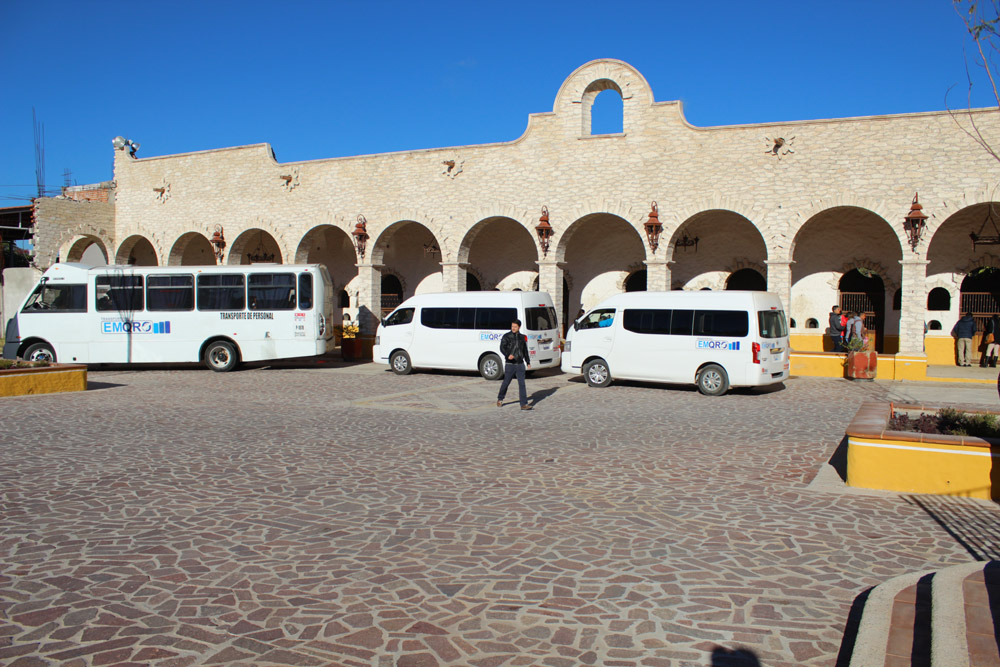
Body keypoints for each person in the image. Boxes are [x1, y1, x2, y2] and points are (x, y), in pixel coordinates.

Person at [496, 319, 533, 410]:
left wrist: (528, 362)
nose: (513, 328)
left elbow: (525, 350)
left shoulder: (522, 337)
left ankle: (523, 404)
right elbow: (502, 347)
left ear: (519, 327)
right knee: (506, 383)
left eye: (515, 327)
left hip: (520, 364)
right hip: (510, 364)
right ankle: (500, 398)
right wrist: (508, 355)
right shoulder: (507, 336)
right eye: (512, 326)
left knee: (522, 384)